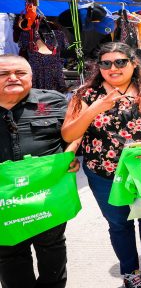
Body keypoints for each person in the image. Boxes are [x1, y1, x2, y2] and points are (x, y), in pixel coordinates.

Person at [62, 43, 141, 288]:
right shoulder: (86, 94)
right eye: (106, 63)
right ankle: (129, 270)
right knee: (118, 223)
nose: (113, 68)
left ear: (133, 63)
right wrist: (95, 109)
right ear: (99, 66)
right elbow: (69, 132)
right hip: (104, 172)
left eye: (120, 62)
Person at [0, 55, 72, 288]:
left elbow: (74, 133)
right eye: (3, 74)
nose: (12, 78)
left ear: (31, 76)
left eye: (20, 73)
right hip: (5, 202)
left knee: (52, 250)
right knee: (9, 255)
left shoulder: (54, 101)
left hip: (47, 197)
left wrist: (69, 156)